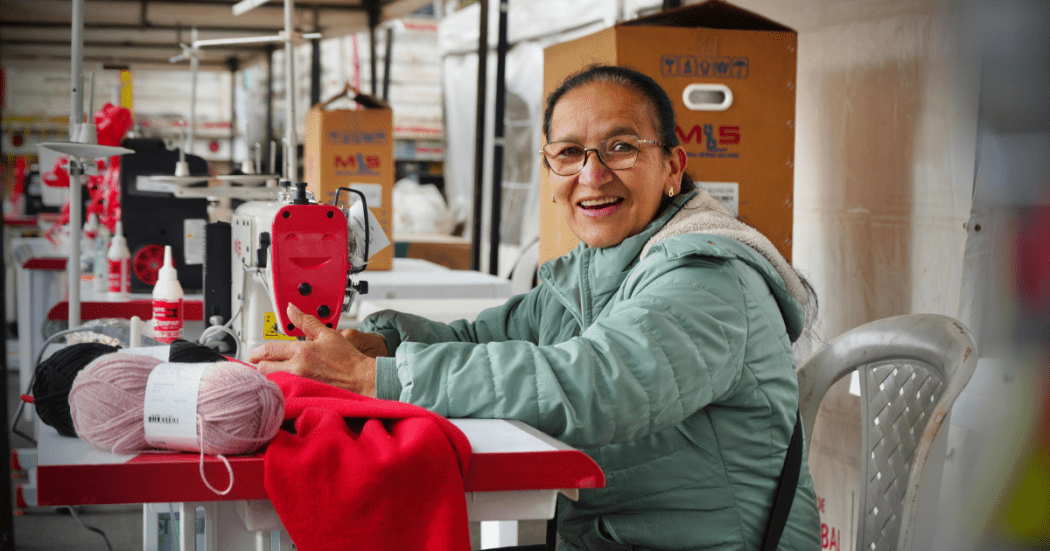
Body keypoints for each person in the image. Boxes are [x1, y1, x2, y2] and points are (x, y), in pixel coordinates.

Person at [251, 64, 821, 551]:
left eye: (621, 147)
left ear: (672, 167)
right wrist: (385, 343)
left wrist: (382, 378)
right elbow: (486, 338)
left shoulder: (707, 278)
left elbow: (596, 382)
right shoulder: (595, 271)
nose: (592, 175)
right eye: (569, 153)